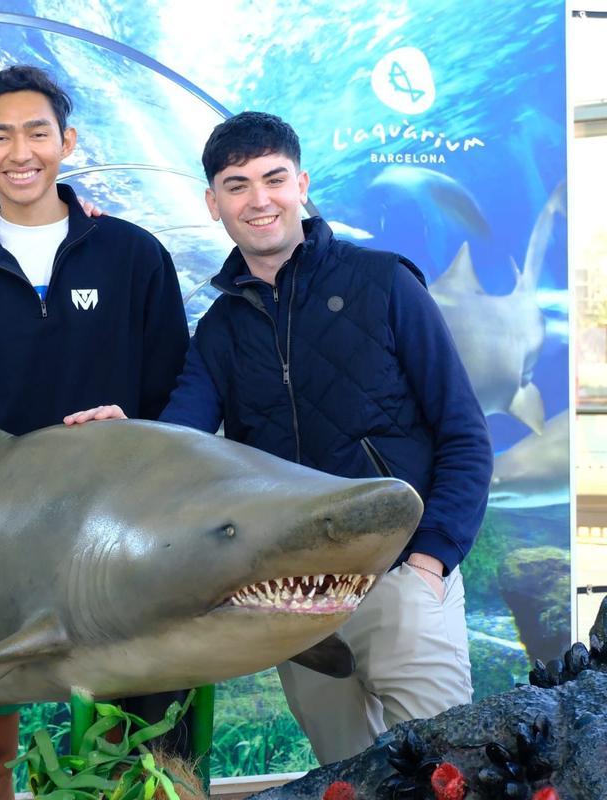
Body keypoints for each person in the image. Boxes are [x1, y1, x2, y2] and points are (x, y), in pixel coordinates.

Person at [66, 111, 493, 765]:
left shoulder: (385, 283)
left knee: (446, 772)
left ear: (301, 185)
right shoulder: (219, 330)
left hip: (400, 578)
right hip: (296, 601)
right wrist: (125, 437)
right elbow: (180, 439)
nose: (258, 199)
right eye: (236, 185)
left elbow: (463, 432)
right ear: (213, 203)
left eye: (273, 178)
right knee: (344, 777)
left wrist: (430, 563)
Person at [0, 65, 190, 799]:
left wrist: (138, 427)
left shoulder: (134, 256)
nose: (20, 152)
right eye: (0, 136)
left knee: (133, 752)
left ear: (68, 141)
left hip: (124, 543)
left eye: (37, 133)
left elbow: (176, 395)